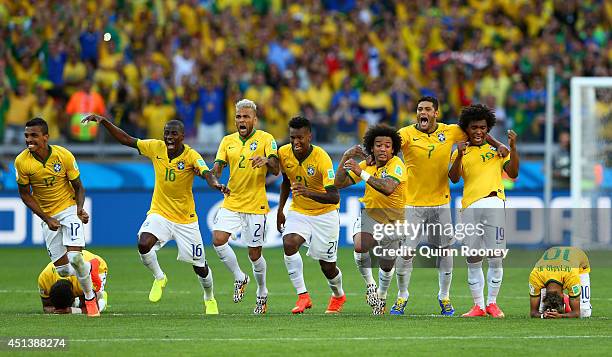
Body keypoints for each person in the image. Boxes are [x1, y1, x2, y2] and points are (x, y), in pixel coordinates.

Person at [81, 114, 228, 315]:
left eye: (173, 134)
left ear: (182, 137)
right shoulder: (155, 147)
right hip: (160, 213)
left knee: (200, 267)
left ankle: (209, 298)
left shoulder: (192, 156)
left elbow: (206, 173)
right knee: (143, 243)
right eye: (166, 133)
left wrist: (216, 184)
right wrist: (104, 122)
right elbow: (127, 139)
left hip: (186, 220)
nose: (168, 137)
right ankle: (159, 277)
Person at [395, 96, 509, 316]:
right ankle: (402, 296)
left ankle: (444, 297)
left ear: (436, 113)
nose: (423, 112)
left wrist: (499, 144)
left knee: (445, 251)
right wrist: (372, 157)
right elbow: (389, 146)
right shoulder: (406, 133)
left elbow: (478, 131)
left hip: (441, 202)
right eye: (420, 109)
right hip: (412, 203)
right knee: (406, 252)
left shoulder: (451, 131)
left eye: (428, 109)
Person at [14, 117, 100, 317]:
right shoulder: (22, 161)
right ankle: (90, 267)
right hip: (49, 216)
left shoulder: (63, 155)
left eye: (34, 135)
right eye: (26, 136)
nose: (29, 140)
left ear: (46, 137)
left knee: (76, 258)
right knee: (63, 271)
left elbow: (79, 187)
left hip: (69, 209)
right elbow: (25, 194)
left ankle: (90, 297)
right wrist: (46, 218)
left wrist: (79, 209)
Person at [448, 104, 520, 318]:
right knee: (473, 258)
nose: (478, 131)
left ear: (487, 128)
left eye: (482, 127)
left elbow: (513, 172)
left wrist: (513, 147)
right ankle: (478, 306)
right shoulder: (460, 151)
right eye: (474, 127)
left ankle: (492, 303)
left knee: (496, 256)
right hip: (469, 207)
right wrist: (459, 155)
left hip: (495, 203)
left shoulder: (497, 150)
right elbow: (453, 178)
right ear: (466, 129)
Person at [211, 99, 280, 314]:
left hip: (255, 204)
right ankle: (240, 277)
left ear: (255, 119)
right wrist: (215, 181)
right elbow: (216, 169)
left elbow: (277, 169)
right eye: (238, 117)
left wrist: (267, 161)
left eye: (246, 116)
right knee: (218, 240)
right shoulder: (227, 141)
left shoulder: (266, 139)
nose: (242, 120)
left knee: (254, 254)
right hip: (232, 200)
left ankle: (262, 292)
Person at [335, 124, 407, 315]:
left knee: (386, 263)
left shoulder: (397, 165)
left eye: (387, 146)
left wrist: (361, 172)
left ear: (393, 149)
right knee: (360, 245)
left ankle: (381, 298)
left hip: (394, 220)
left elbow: (388, 187)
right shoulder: (368, 164)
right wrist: (345, 158)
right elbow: (338, 183)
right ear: (372, 147)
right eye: (378, 145)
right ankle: (370, 285)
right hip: (371, 215)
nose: (382, 149)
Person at [276, 116, 346, 314]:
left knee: (328, 267)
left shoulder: (321, 158)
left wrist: (308, 192)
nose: (296, 142)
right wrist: (280, 210)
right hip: (299, 211)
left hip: (325, 214)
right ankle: (303, 296)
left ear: (309, 136)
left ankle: (339, 295)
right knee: (289, 243)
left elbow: (334, 196)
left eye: (300, 138)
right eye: (292, 138)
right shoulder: (284, 153)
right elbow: (286, 182)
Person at [529, 246, 592, 319]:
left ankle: (571, 298)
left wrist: (560, 316)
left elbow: (576, 313)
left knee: (584, 312)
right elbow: (533, 313)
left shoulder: (572, 277)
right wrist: (543, 315)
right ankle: (570, 299)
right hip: (552, 257)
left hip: (579, 259)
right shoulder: (535, 276)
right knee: (542, 310)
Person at [39, 250, 108, 314]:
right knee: (75, 305)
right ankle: (75, 303)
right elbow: (46, 306)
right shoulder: (44, 279)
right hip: (75, 265)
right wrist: (55, 309)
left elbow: (92, 308)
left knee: (94, 305)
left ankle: (101, 297)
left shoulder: (83, 283)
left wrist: (70, 310)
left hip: (96, 267)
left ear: (73, 296)